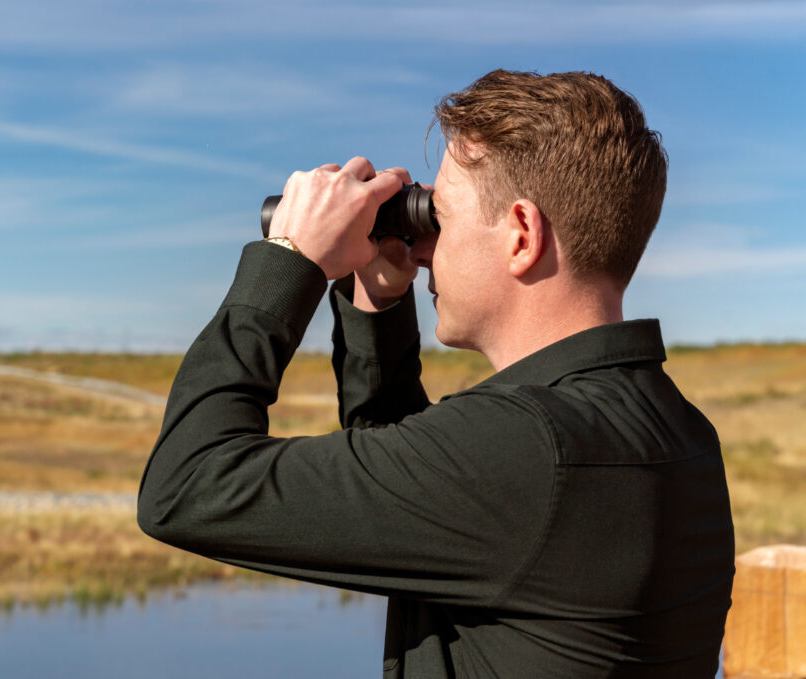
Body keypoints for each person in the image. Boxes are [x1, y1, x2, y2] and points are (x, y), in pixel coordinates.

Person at [137, 70, 735, 678]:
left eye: (438, 217)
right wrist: (378, 305)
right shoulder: (677, 430)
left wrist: (290, 260)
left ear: (522, 235)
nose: (422, 247)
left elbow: (186, 488)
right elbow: (425, 495)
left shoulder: (526, 450)